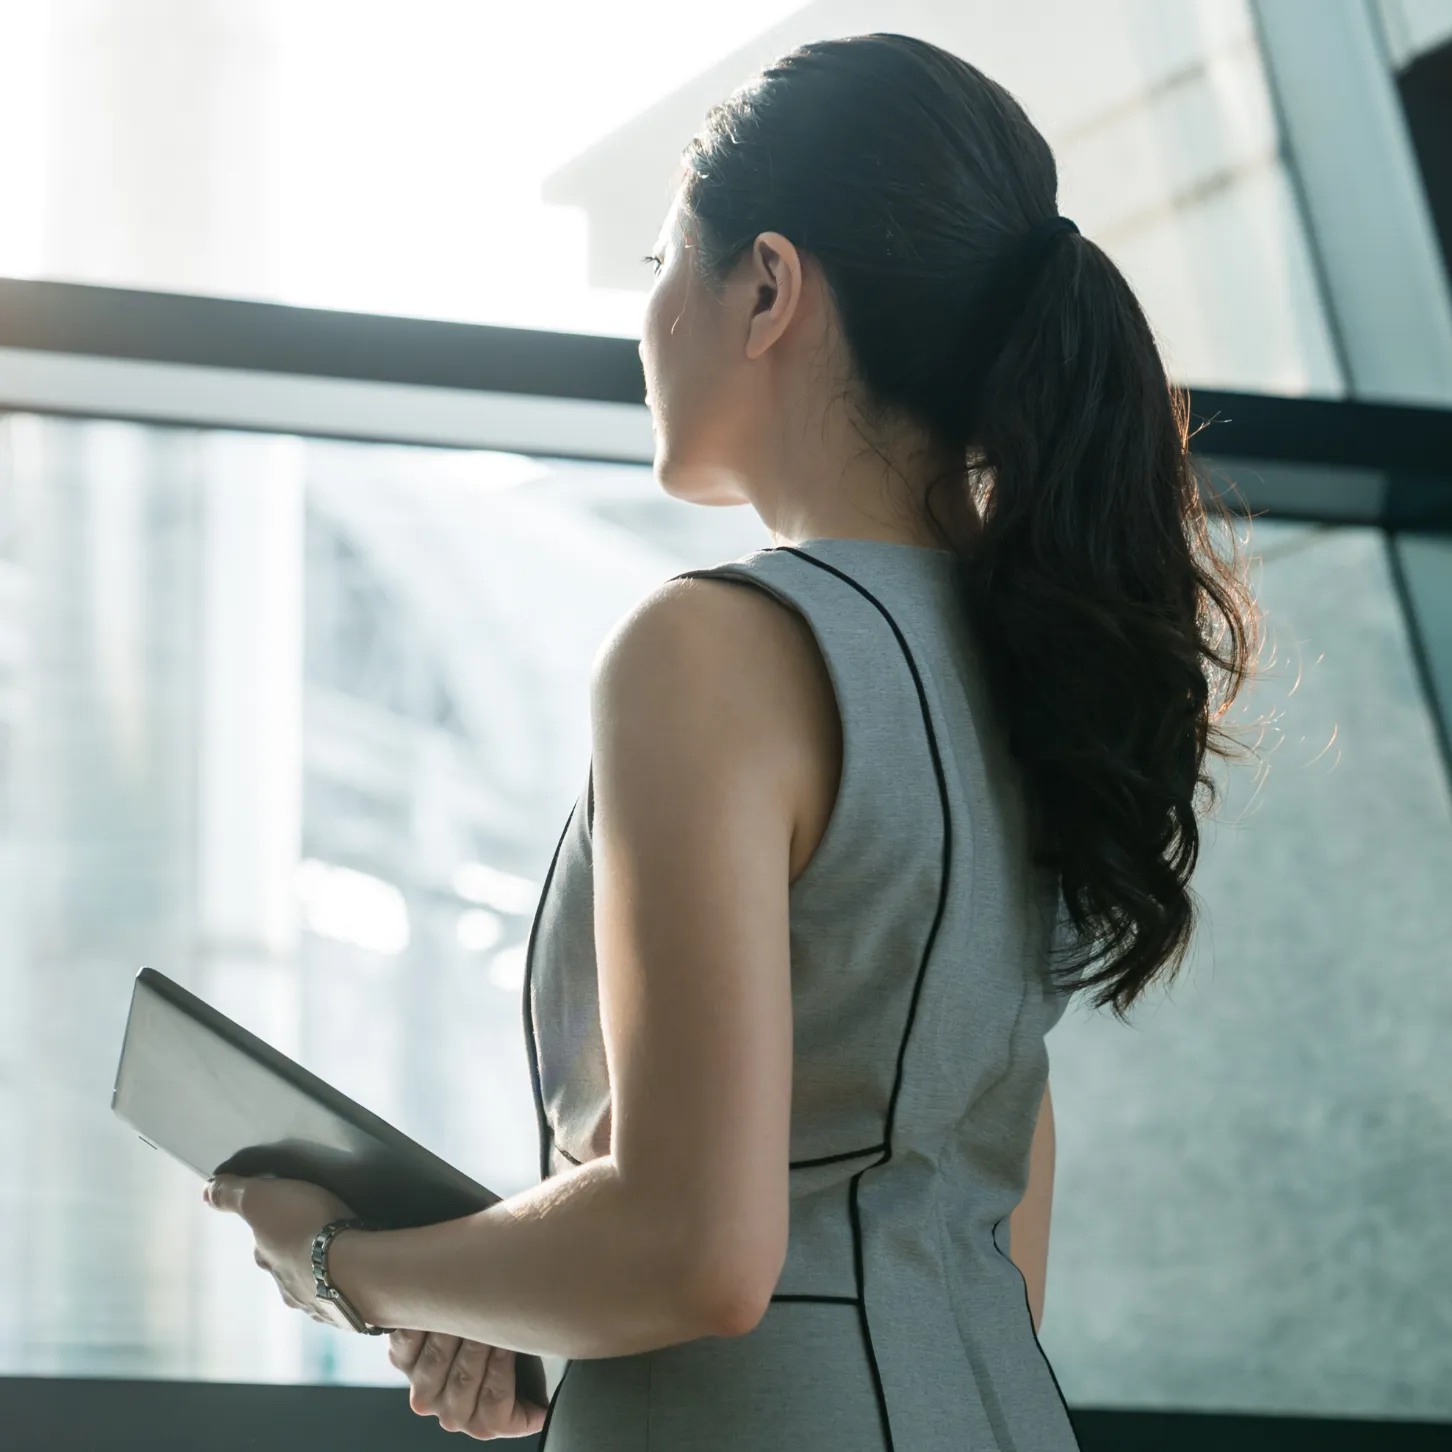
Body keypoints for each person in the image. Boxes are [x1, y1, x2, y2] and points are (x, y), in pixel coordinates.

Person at [207, 30, 1260, 1448]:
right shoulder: (1038, 657)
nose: (646, 321)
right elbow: (979, 1250)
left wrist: (339, 1266)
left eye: (659, 267)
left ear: (766, 287)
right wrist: (549, 1327)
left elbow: (697, 1253)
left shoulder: (712, 650)